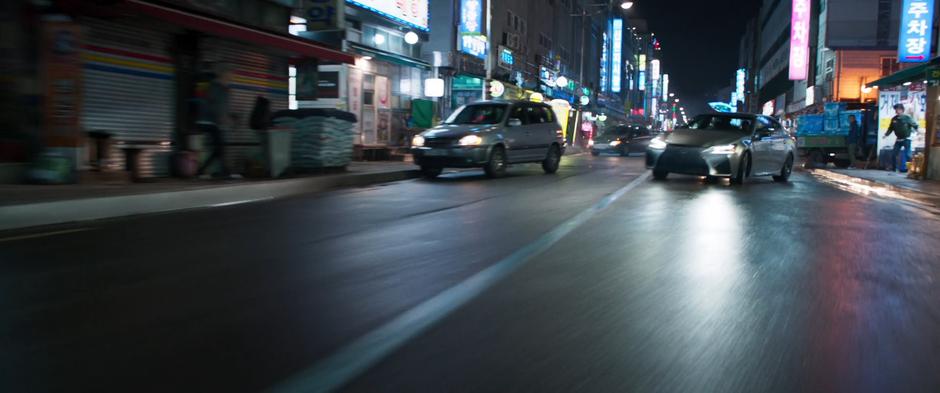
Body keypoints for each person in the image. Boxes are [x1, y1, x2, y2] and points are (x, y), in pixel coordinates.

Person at [195, 63, 240, 179]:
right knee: (220, 147)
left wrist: (230, 116)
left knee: (218, 148)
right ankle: (224, 171)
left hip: (213, 121)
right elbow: (214, 104)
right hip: (209, 121)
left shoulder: (223, 88)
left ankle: (204, 170)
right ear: (224, 74)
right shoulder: (216, 86)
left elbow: (223, 106)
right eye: (231, 73)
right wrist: (222, 118)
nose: (232, 75)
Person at [884, 103, 918, 172]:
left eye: (898, 109)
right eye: (896, 110)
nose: (897, 111)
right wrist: (886, 134)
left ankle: (910, 169)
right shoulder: (894, 119)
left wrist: (916, 131)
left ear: (902, 110)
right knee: (894, 154)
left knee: (908, 155)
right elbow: (890, 128)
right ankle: (894, 169)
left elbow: (915, 125)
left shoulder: (907, 118)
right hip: (898, 139)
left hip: (906, 139)